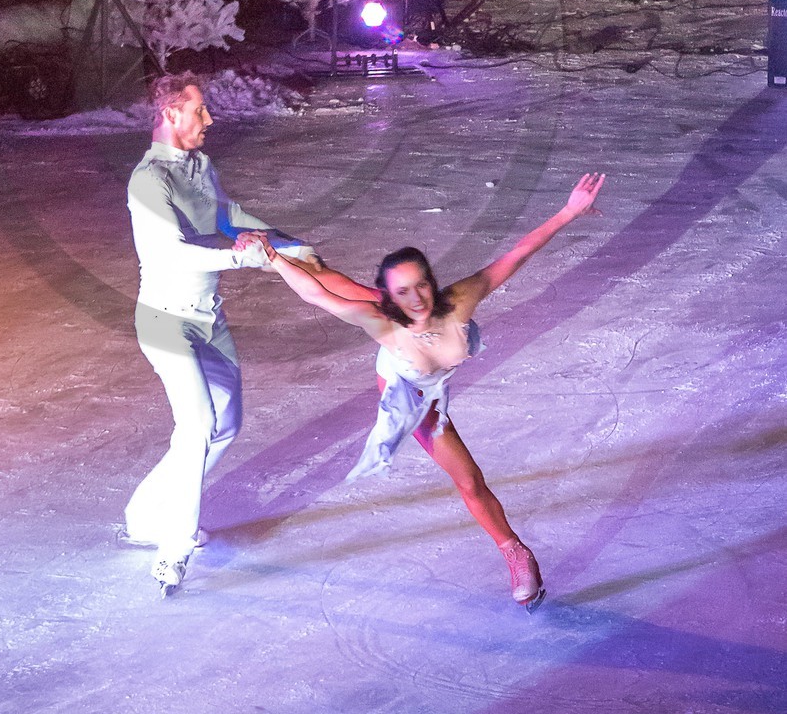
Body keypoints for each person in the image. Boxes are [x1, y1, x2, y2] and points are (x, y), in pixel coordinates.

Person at [262, 173, 607, 609]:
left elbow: (517, 253)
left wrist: (569, 211)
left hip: (426, 349)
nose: (418, 297)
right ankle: (304, 259)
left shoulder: (459, 298)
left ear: (432, 280)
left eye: (422, 284)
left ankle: (316, 261)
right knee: (466, 477)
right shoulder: (385, 323)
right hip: (407, 387)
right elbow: (317, 298)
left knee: (365, 294)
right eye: (405, 291)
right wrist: (271, 257)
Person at [123, 73, 310, 596]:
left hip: (209, 318)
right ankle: (172, 550)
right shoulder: (148, 181)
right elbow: (169, 251)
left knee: (226, 421)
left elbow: (223, 215)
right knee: (198, 422)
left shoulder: (199, 166)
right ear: (170, 115)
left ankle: (143, 514)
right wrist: (242, 258)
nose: (209, 120)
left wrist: (286, 243)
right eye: (200, 111)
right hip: (164, 320)